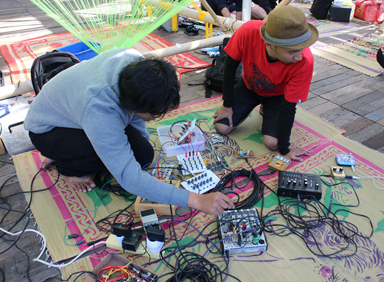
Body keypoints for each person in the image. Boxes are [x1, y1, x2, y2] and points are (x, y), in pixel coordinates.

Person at [24, 48, 234, 216]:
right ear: (134, 105)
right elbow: (128, 178)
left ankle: (68, 152)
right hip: (47, 129)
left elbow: (137, 124)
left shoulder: (135, 63)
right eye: (153, 115)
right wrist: (196, 199)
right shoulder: (99, 110)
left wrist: (139, 145)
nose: (155, 119)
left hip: (74, 115)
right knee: (99, 155)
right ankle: (68, 167)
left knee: (143, 154)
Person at [213, 6, 319, 161]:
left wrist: (285, 148)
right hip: (249, 87)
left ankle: (265, 108)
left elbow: (289, 106)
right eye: (292, 51)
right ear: (270, 45)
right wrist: (227, 105)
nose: (298, 56)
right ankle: (249, 108)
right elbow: (230, 66)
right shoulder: (247, 31)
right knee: (221, 127)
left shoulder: (305, 60)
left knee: (272, 143)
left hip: (277, 96)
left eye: (302, 48)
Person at [201, 0, 267, 21]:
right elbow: (223, 8)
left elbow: (240, 8)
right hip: (211, 11)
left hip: (228, 6)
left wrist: (239, 25)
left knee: (253, 8)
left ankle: (267, 20)